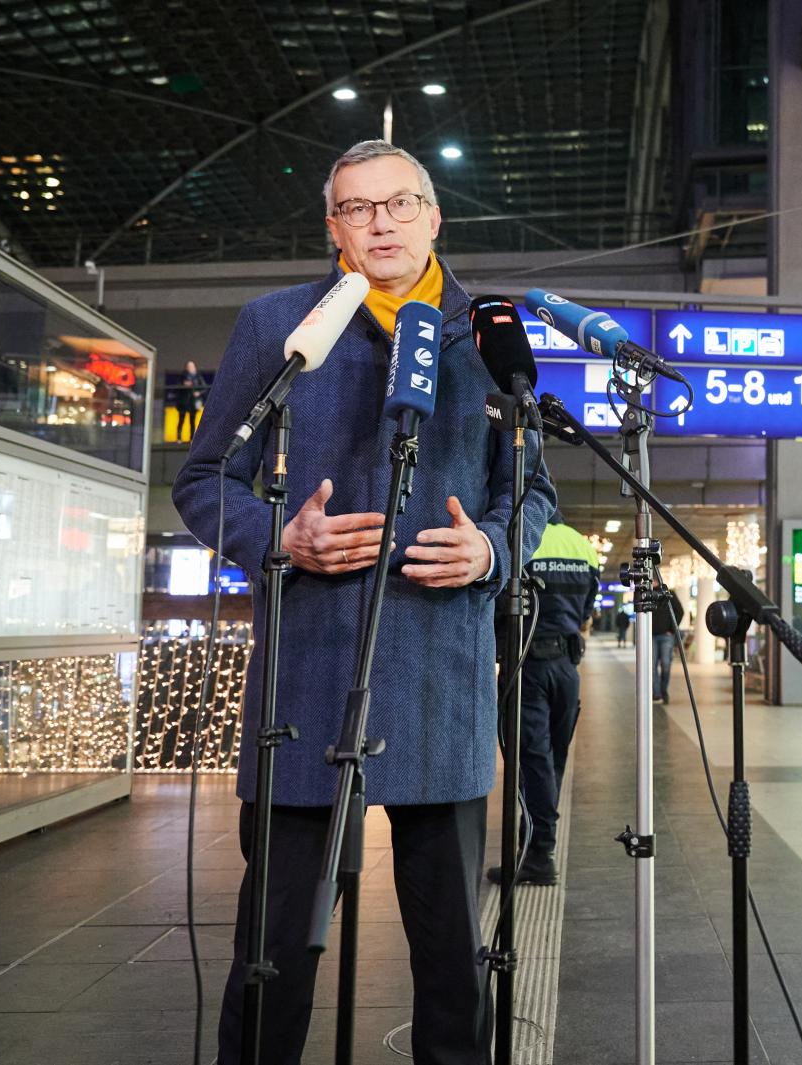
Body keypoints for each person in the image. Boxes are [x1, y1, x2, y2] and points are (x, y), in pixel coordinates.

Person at [173, 139, 556, 1065]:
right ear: (334, 228)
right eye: (356, 208)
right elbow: (202, 477)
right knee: (273, 961)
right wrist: (279, 539)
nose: (379, 222)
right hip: (306, 688)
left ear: (434, 216)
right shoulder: (279, 325)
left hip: (442, 683)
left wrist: (493, 549)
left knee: (454, 966)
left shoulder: (485, 331)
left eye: (398, 203)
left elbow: (531, 491)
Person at [488, 510, 599, 887]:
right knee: (553, 761)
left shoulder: (521, 540)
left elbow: (500, 603)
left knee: (531, 759)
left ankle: (539, 854)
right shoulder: (582, 546)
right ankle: (536, 846)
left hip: (527, 664)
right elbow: (587, 609)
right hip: (567, 668)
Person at [652, 588, 685, 703]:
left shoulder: (668, 593)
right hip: (651, 636)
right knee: (652, 666)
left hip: (666, 636)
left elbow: (680, 611)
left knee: (666, 665)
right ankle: (656, 694)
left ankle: (663, 691)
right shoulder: (648, 593)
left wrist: (672, 628)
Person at [174, 359, 206, 442]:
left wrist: (198, 392)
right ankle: (179, 438)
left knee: (192, 420)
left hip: (193, 401)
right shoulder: (182, 376)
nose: (190, 368)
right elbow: (176, 387)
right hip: (183, 402)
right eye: (189, 366)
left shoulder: (198, 376)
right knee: (181, 420)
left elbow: (204, 387)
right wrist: (184, 385)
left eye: (192, 366)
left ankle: (192, 438)